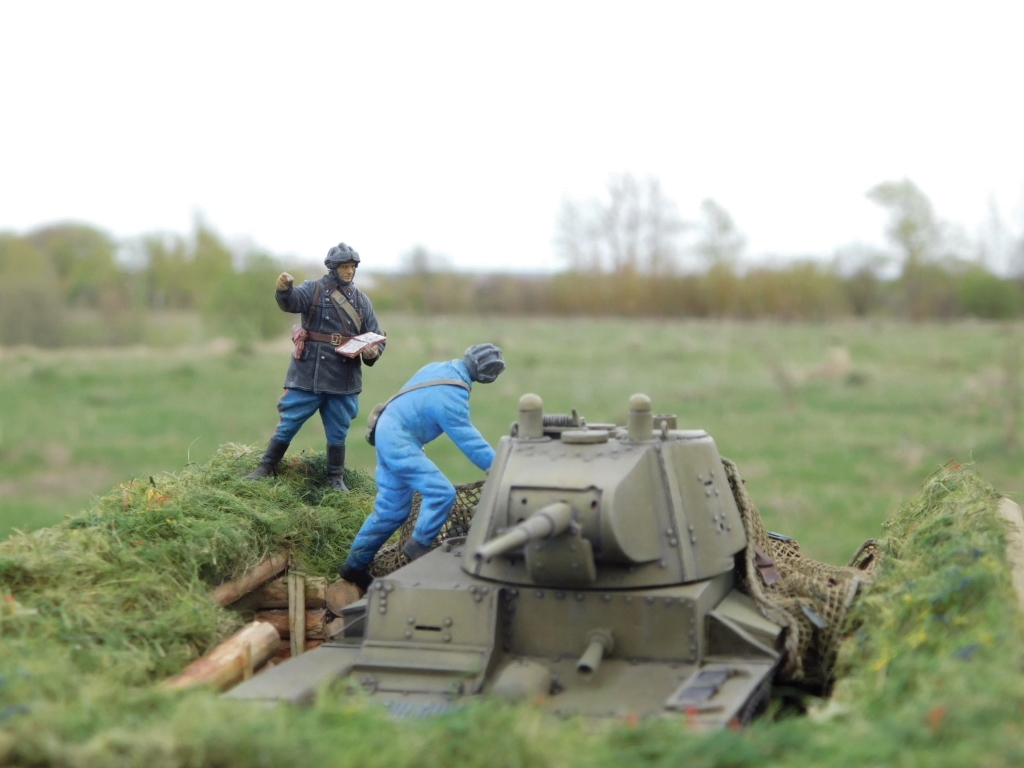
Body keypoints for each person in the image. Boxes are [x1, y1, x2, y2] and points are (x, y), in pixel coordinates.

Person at [339, 343, 506, 590]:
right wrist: (500, 466)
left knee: (391, 510)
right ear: (487, 376)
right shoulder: (452, 396)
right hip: (400, 441)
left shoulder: (439, 368)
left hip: (386, 430)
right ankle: (418, 547)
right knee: (441, 493)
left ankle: (353, 566)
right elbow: (469, 440)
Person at [246, 242, 385, 491]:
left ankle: (335, 478)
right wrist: (284, 289)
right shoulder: (314, 290)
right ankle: (266, 467)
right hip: (309, 373)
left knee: (338, 429)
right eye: (343, 267)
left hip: (343, 376)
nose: (348, 271)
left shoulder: (362, 301)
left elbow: (375, 336)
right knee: (289, 421)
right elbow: (292, 302)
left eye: (352, 267)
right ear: (332, 268)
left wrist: (373, 351)